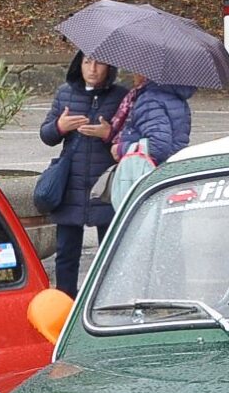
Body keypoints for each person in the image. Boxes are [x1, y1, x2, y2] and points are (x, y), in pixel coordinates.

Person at [39, 53, 124, 295]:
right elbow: (46, 135)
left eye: (99, 62)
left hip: (105, 182)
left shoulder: (120, 96)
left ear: (110, 66)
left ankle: (109, 298)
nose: (93, 68)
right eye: (87, 62)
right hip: (70, 183)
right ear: (79, 65)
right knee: (66, 252)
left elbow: (128, 138)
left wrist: (108, 134)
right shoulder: (65, 92)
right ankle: (65, 302)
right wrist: (59, 127)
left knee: (110, 250)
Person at [107, 71, 195, 176]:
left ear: (145, 74)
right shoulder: (176, 97)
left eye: (136, 70)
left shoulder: (149, 100)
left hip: (149, 173)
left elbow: (158, 147)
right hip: (171, 170)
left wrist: (122, 149)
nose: (133, 75)